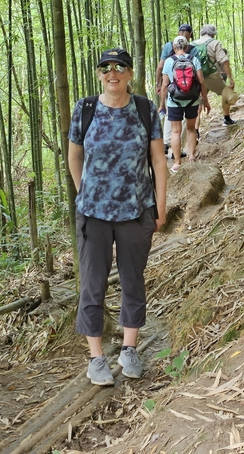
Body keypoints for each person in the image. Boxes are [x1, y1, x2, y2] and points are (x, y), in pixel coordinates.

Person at [68, 48, 167, 386]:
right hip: (93, 214)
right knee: (92, 284)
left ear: (129, 73)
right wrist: (85, 193)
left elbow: (157, 160)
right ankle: (96, 358)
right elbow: (75, 156)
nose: (113, 72)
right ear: (99, 74)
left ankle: (129, 349)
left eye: (120, 67)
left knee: (132, 280)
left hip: (136, 209)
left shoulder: (144, 108)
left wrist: (160, 205)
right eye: (106, 67)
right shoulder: (85, 109)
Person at [159, 36, 210, 172]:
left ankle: (176, 163)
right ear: (187, 47)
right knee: (191, 129)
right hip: (192, 99)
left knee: (176, 131)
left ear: (174, 48)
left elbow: (164, 85)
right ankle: (192, 157)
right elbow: (201, 81)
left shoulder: (169, 61)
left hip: (174, 100)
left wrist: (162, 104)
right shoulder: (193, 59)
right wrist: (205, 100)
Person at [155, 24, 198, 158]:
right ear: (190, 34)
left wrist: (158, 83)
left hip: (173, 90)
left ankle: (167, 143)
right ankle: (179, 151)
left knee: (170, 116)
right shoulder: (193, 50)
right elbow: (199, 75)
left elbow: (160, 65)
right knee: (187, 124)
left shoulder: (169, 46)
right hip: (191, 93)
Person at [192, 24, 237, 127]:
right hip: (211, 77)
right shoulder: (215, 43)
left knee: (198, 103)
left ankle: (195, 130)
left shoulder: (192, 44)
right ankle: (227, 118)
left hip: (196, 78)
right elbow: (224, 61)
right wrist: (230, 78)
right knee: (227, 93)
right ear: (213, 34)